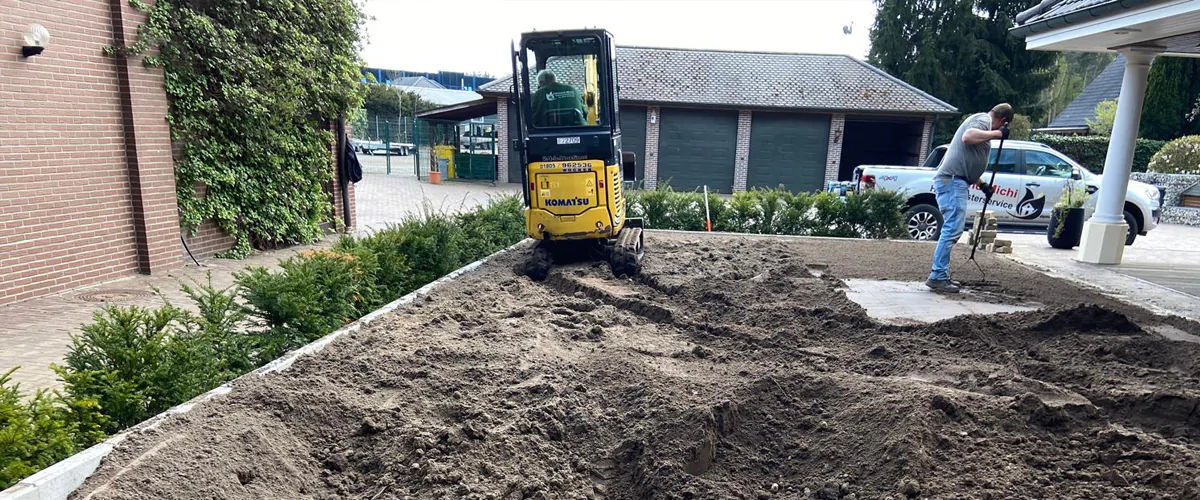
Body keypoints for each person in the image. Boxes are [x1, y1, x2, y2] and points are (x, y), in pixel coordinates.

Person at [926, 103, 1013, 293]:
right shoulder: (983, 119)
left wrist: (982, 185)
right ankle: (937, 276)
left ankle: (939, 274)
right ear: (1003, 121)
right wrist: (997, 134)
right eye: (1001, 127)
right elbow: (968, 137)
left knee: (952, 228)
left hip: (956, 181)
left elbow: (967, 162)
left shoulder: (983, 124)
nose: (998, 130)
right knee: (952, 229)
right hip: (952, 182)